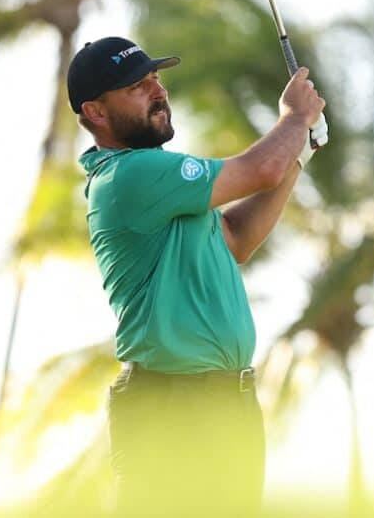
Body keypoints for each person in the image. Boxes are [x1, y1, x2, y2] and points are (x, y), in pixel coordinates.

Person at [67, 36, 328, 517]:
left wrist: (300, 153)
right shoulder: (129, 176)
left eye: (155, 79)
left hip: (226, 404)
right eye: (136, 87)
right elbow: (260, 168)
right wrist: (294, 119)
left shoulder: (160, 183)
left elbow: (237, 237)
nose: (157, 91)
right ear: (96, 112)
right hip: (173, 406)